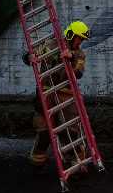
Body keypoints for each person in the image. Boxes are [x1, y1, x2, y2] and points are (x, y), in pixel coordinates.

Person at [23, 20, 90, 167]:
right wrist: (29, 57)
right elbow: (30, 55)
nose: (80, 42)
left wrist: (71, 58)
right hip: (46, 94)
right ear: (71, 35)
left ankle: (76, 164)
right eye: (79, 38)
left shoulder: (79, 54)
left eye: (82, 40)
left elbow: (78, 73)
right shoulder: (50, 44)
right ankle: (37, 163)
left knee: (70, 131)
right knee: (44, 131)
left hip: (66, 96)